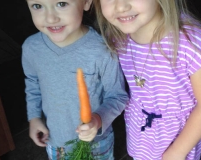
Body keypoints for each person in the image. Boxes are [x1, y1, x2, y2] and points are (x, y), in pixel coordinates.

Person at [93, 0, 201, 159]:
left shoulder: (192, 43)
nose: (121, 6)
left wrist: (177, 151)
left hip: (179, 137)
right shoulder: (117, 37)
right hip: (140, 129)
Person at [22, 0, 128, 159]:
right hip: (55, 140)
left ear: (86, 3)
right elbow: (32, 84)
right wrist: (34, 117)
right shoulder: (31, 47)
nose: (50, 18)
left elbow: (118, 96)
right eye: (37, 6)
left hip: (97, 143)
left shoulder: (102, 49)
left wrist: (98, 120)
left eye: (62, 4)